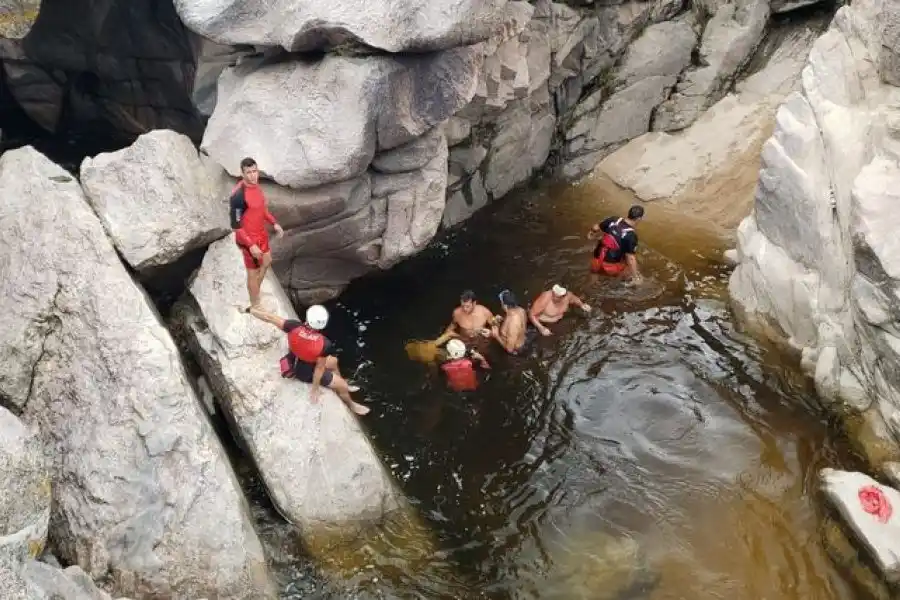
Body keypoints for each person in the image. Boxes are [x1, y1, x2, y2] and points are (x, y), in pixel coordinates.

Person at [243, 304, 370, 416]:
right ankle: (351, 404)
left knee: (334, 362)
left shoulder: (293, 326)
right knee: (341, 385)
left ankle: (341, 381)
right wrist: (315, 389)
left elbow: (270, 318)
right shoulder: (324, 344)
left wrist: (251, 311)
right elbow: (319, 369)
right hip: (305, 371)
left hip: (294, 359)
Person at [230, 157, 284, 309]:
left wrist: (274, 223)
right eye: (249, 173)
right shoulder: (238, 196)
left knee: (267, 262)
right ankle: (255, 304)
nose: (253, 176)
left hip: (261, 235)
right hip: (248, 240)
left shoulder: (257, 187)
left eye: (255, 171)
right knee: (252, 273)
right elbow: (236, 226)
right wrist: (251, 245)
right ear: (242, 174)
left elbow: (262, 210)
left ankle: (255, 291)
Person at [587, 204, 644, 282]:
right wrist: (636, 277)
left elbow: (595, 227)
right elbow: (630, 259)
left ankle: (591, 285)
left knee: (593, 281)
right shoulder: (631, 235)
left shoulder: (614, 220)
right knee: (633, 269)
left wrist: (591, 234)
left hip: (596, 261)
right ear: (639, 219)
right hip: (611, 268)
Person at [491, 289, 529, 355]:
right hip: (523, 341)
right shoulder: (521, 310)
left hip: (515, 351)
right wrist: (502, 320)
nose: (501, 304)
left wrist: (496, 336)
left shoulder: (513, 323)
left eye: (501, 302)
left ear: (505, 306)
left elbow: (510, 350)